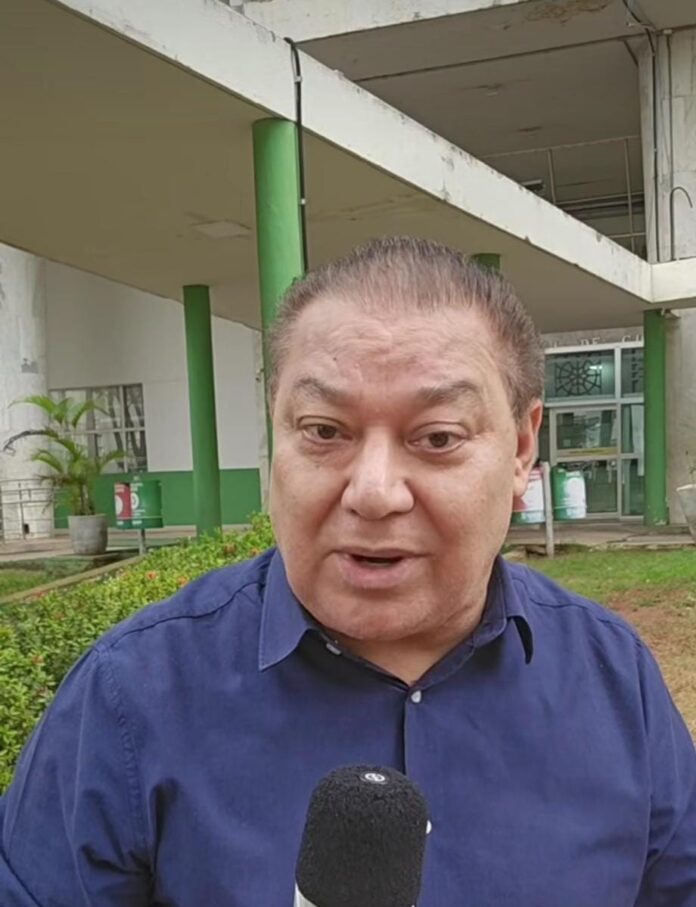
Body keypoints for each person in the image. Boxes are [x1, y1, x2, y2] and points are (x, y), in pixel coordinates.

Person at [1, 236, 694, 906]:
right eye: (325, 431)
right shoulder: (132, 698)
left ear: (520, 449)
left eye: (438, 437)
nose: (374, 492)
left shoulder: (614, 682)